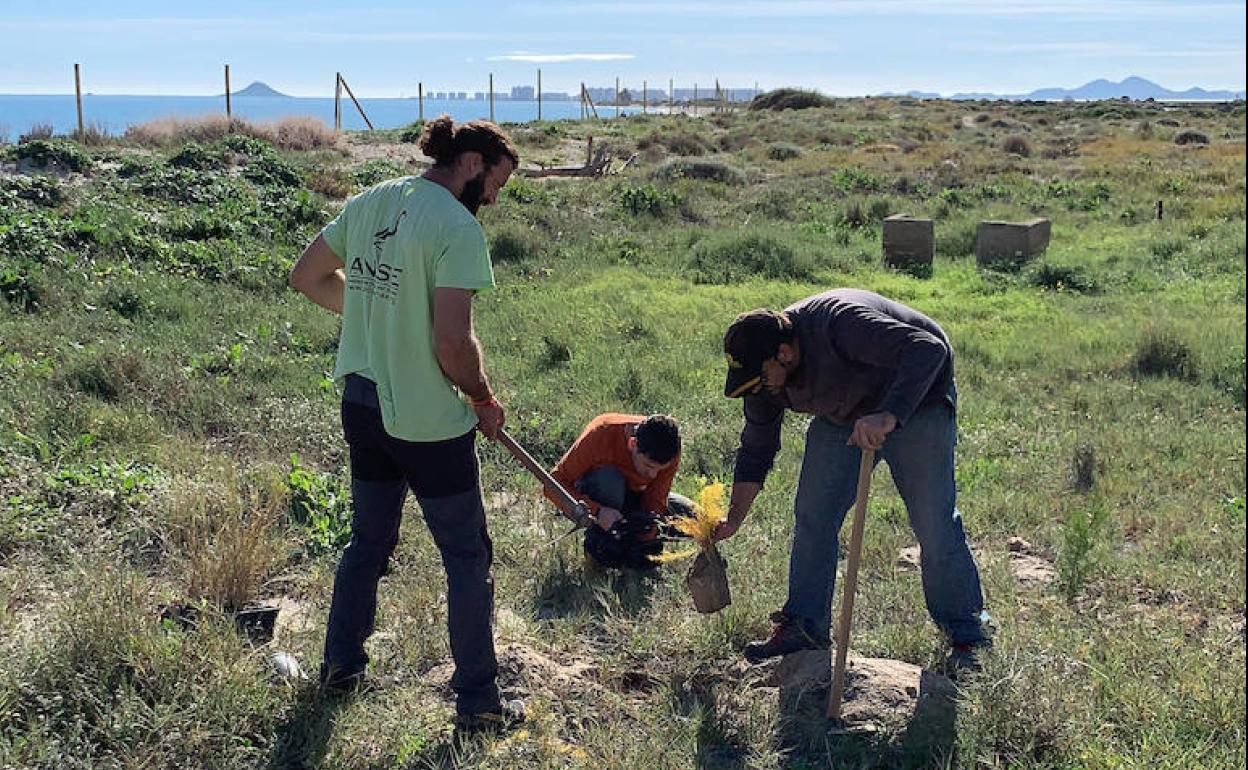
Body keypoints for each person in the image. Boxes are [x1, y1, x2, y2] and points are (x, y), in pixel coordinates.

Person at [288, 114, 522, 730]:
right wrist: (482, 398)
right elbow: (453, 342)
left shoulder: (370, 201)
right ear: (471, 163)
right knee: (466, 558)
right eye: (495, 182)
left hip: (362, 407)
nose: (494, 198)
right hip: (427, 423)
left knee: (368, 542)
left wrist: (375, 317)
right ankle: (477, 702)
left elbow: (305, 276)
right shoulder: (457, 226)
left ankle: (340, 669)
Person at [713, 289, 990, 673]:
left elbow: (928, 349)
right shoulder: (763, 381)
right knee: (813, 516)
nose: (756, 390)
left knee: (934, 524)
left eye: (758, 379)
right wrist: (735, 517)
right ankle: (805, 627)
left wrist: (888, 415)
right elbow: (757, 447)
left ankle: (968, 635)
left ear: (785, 353)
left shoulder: (840, 324)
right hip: (842, 414)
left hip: (919, 397)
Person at [547, 413, 692, 570]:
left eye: (660, 470)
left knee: (695, 519)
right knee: (610, 481)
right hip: (595, 494)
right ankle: (596, 555)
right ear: (632, 444)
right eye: (648, 466)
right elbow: (552, 484)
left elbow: (657, 499)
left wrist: (648, 531)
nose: (653, 475)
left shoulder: (669, 449)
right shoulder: (601, 433)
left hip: (634, 495)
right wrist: (597, 512)